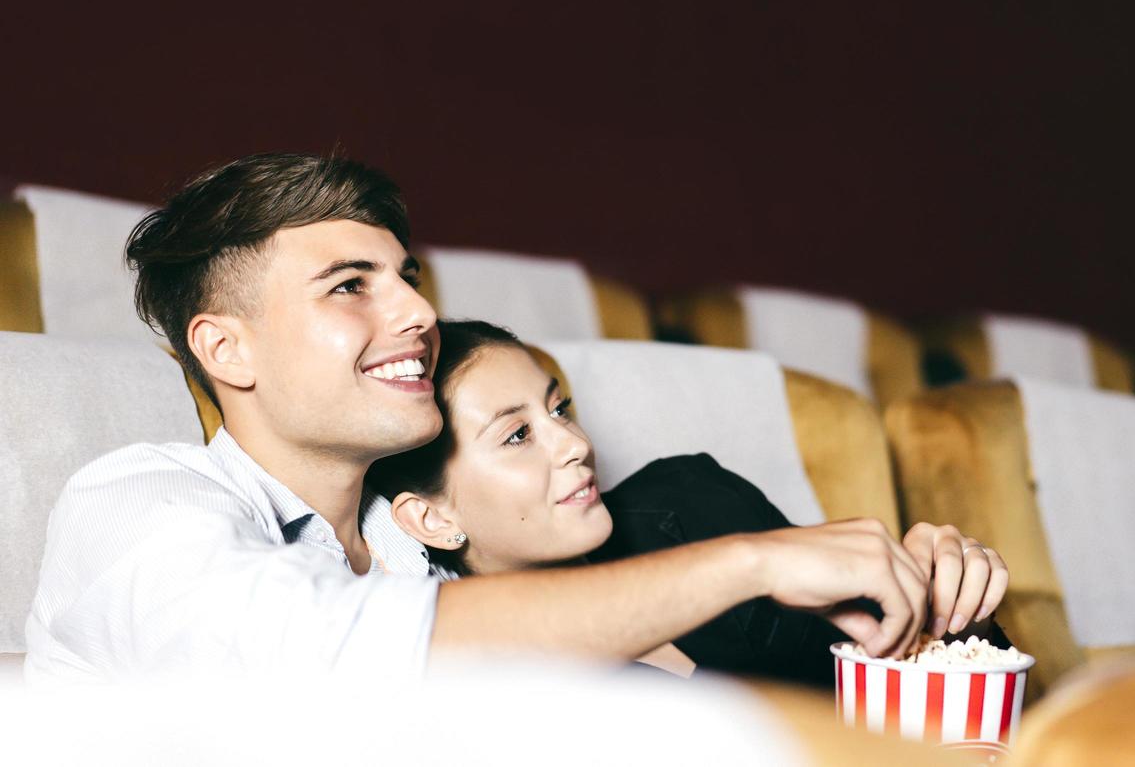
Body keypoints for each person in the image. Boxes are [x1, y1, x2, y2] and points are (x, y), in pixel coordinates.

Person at [25, 152, 1004, 681]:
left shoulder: (415, 543)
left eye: (406, 278)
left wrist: (912, 609)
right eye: (350, 285)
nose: (415, 311)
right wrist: (751, 561)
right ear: (224, 348)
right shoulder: (135, 503)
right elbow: (330, 656)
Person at [368, 319, 1010, 683]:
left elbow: (888, 679)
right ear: (432, 518)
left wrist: (946, 606)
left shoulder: (691, 502)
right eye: (516, 435)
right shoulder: (469, 678)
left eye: (558, 406)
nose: (572, 443)